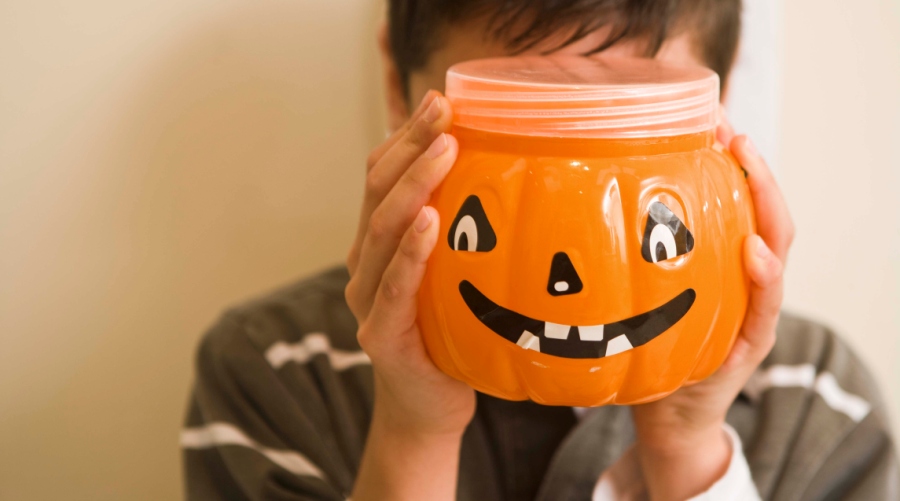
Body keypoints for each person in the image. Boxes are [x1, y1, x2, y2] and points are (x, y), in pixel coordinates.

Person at [181, 1, 898, 500]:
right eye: (523, 115)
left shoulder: (821, 405)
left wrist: (688, 446)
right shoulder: (273, 372)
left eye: (623, 120)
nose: (571, 275)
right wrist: (413, 431)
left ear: (720, 99)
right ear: (400, 89)